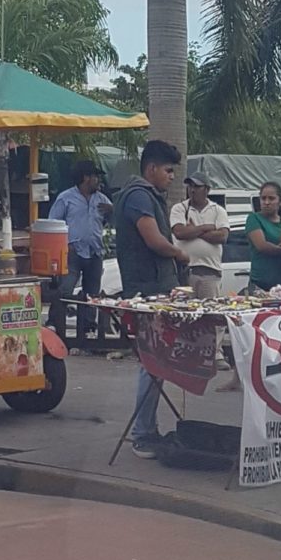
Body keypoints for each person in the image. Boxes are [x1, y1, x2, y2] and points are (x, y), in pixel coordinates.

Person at [113, 140, 189, 459]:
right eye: (169, 170)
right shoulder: (139, 196)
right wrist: (180, 254)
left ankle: (149, 429)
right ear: (152, 169)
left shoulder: (146, 195)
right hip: (146, 291)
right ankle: (143, 434)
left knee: (157, 363)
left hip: (157, 288)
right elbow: (153, 239)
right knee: (152, 363)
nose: (172, 177)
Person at [170, 171, 231, 371]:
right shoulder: (180, 208)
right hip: (184, 268)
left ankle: (215, 354)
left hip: (209, 268)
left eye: (197, 186)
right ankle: (185, 354)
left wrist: (194, 230)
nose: (192, 190)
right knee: (185, 313)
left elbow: (222, 236)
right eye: (190, 186)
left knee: (211, 314)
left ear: (206, 189)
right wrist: (206, 228)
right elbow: (179, 232)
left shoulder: (218, 210)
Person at [48, 160, 112, 331]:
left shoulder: (102, 199)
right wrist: (64, 246)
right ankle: (54, 323)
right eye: (95, 177)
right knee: (65, 289)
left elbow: (108, 221)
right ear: (86, 178)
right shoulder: (66, 198)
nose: (99, 180)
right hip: (72, 252)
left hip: (95, 252)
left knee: (92, 293)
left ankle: (87, 328)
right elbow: (53, 224)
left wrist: (112, 210)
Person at [244, 182, 281, 291]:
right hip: (260, 286)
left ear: (280, 202)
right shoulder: (254, 218)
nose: (266, 202)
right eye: (263, 198)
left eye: (271, 198)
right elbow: (262, 246)